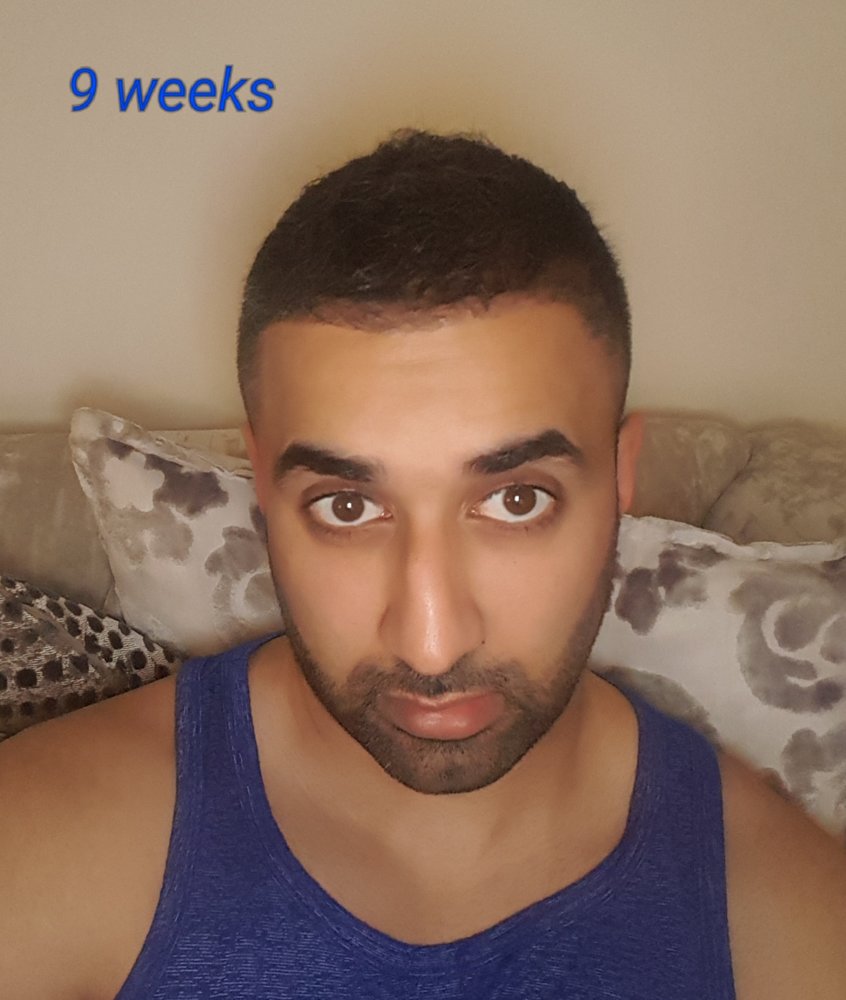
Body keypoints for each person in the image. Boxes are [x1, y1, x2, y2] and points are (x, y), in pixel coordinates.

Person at [1, 130, 844, 1000]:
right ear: (264, 487)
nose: (432, 644)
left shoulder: (789, 914)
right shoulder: (52, 837)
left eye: (517, 500)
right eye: (347, 506)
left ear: (621, 478)